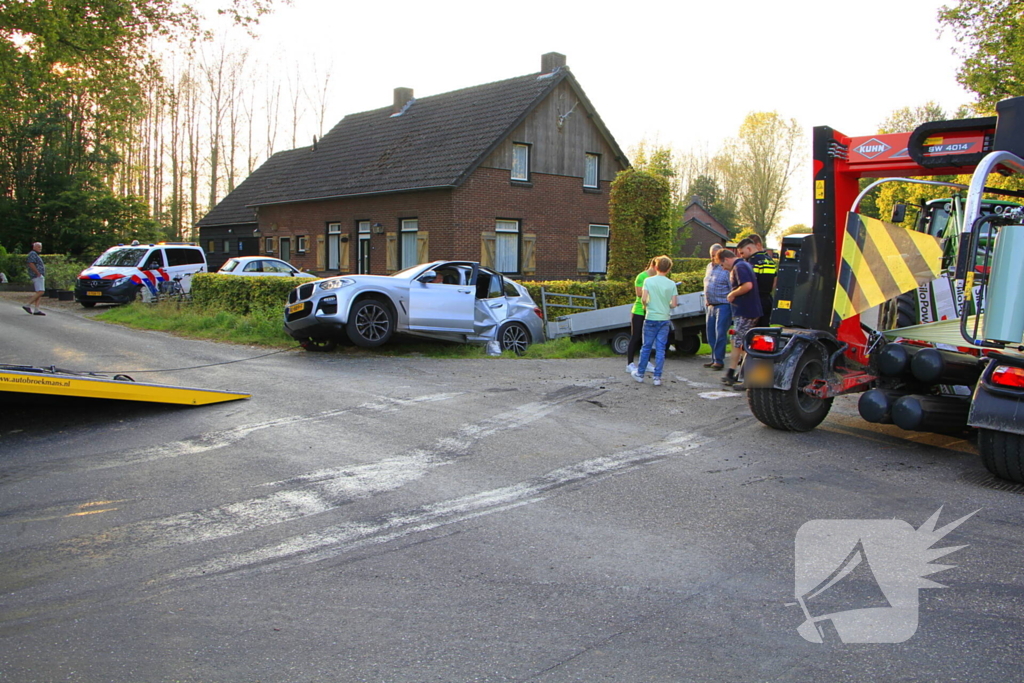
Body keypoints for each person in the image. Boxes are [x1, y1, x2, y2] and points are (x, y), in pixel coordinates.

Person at [717, 249, 761, 387]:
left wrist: (732, 294)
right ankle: (734, 372)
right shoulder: (744, 265)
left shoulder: (739, 267)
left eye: (722, 265)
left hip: (746, 311)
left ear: (725, 259)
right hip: (746, 311)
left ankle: (745, 376)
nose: (723, 268)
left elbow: (747, 285)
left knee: (741, 343)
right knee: (739, 342)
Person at [632, 256, 678, 387]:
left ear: (656, 267)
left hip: (651, 317)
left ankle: (640, 374)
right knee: (661, 348)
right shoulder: (671, 284)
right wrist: (666, 304)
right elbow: (674, 303)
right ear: (669, 269)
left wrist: (647, 306)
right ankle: (657, 377)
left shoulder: (648, 281)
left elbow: (644, 299)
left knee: (646, 346)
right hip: (664, 318)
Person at [625, 257, 659, 375]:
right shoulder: (642, 276)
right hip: (639, 310)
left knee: (648, 338)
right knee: (636, 336)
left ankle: (647, 362)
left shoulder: (656, 277)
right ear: (654, 266)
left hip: (650, 310)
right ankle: (629, 363)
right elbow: (639, 293)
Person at [737, 234, 777, 328]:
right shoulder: (770, 260)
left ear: (749, 249)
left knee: (751, 332)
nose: (742, 257)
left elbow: (750, 282)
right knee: (765, 329)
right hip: (767, 299)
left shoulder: (752, 261)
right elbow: (775, 281)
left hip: (755, 301)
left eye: (742, 253)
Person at [702, 243, 731, 371]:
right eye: (711, 255)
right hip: (710, 305)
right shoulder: (709, 267)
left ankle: (719, 360)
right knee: (710, 334)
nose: (713, 258)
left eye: (715, 255)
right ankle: (714, 358)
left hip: (723, 305)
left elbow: (731, 287)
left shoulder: (725, 268)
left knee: (720, 333)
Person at [23, 242, 46, 316]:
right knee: (41, 291)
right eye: (38, 247)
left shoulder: (35, 254)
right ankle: (27, 304)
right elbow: (31, 264)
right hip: (37, 275)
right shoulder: (32, 254)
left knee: (38, 292)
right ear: (34, 247)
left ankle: (37, 309)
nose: (40, 248)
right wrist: (37, 273)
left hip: (38, 275)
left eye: (41, 247)